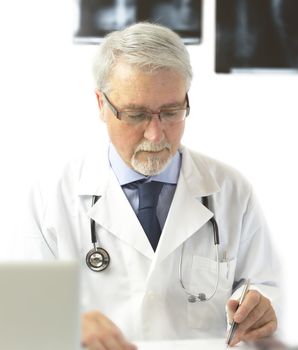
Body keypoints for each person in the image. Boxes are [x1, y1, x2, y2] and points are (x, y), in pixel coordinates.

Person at [17, 23, 280, 349]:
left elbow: (265, 285)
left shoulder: (231, 190)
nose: (156, 135)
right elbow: (21, 313)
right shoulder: (50, 196)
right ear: (101, 104)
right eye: (136, 114)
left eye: (171, 112)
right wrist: (64, 321)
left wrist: (263, 305)